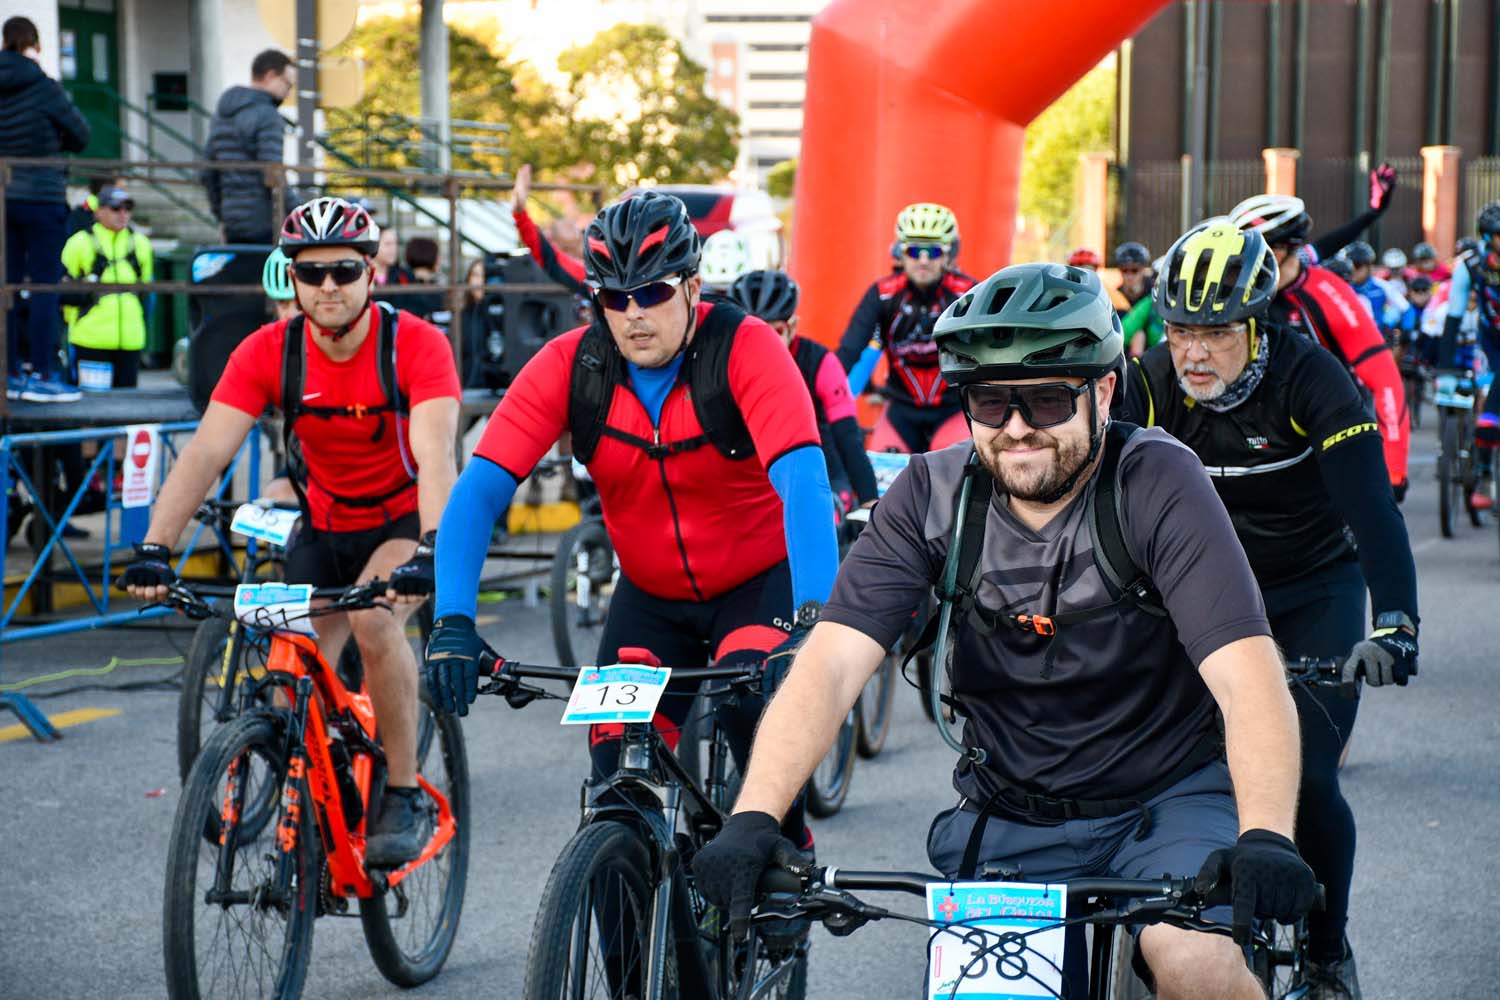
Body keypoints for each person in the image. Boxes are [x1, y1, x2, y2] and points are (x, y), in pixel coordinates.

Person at [694, 261, 1317, 999]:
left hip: (1168, 800)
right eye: (991, 402)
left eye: (1048, 400)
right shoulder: (930, 494)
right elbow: (829, 666)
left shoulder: (1156, 481)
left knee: (1194, 964)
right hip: (1013, 813)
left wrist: (1268, 836)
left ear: (1105, 391)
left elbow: (1248, 675)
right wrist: (755, 814)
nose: (1017, 428)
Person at [424, 191, 839, 869]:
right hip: (649, 598)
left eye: (651, 291)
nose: (634, 313)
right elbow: (477, 492)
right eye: (614, 298)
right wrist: (452, 622)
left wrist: (814, 620)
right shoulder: (571, 366)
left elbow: (804, 483)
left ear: (693, 287)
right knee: (614, 782)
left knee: (751, 704)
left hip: (757, 582)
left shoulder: (747, 347)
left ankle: (787, 850)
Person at [1116, 221, 1419, 1000]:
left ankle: (1326, 949)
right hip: (1205, 593)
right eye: (1181, 330)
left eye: (1216, 332)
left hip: (1312, 586)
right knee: (1159, 768)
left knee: (1307, 780)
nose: (1194, 353)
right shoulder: (1148, 381)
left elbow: (1375, 514)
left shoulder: (1311, 379)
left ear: (1257, 323)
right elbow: (1103, 502)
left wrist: (1396, 623)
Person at [120, 196, 462, 869]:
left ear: (371, 271)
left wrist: (430, 550)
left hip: (400, 523)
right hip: (323, 523)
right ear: (292, 279)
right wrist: (155, 549)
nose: (327, 286)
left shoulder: (417, 345)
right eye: (310, 274)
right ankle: (318, 782)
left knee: (374, 624)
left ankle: (401, 790)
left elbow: (437, 456)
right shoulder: (268, 351)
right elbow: (206, 454)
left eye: (342, 270)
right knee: (290, 667)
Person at [1229, 193, 1409, 501]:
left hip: (1328, 427)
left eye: (1253, 251)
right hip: (1259, 436)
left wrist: (1393, 470)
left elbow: (1386, 382)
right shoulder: (1234, 291)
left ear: (1282, 250)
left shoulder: (1327, 293)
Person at [727, 269, 879, 511]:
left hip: (823, 473)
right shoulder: (724, 363)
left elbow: (847, 436)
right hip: (754, 478)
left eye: (773, 331)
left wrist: (870, 502)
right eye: (751, 331)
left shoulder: (821, 362)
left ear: (792, 327)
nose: (761, 342)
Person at [837, 202, 976, 453]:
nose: (923, 261)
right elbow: (849, 351)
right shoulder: (882, 295)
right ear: (900, 253)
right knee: (885, 482)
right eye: (914, 250)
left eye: (933, 252)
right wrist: (825, 403)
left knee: (954, 477)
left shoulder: (968, 293)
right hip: (900, 412)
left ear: (948, 254)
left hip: (953, 410)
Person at [1, 15, 89, 402]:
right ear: (33, 44)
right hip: (42, 196)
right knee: (42, 288)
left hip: (3, 198)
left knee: (5, 287)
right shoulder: (44, 85)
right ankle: (43, 373)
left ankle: (8, 373)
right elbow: (82, 136)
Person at [59, 186, 154, 389]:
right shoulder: (79, 243)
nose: (123, 214)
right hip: (90, 340)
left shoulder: (141, 244)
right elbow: (64, 291)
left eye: (127, 208)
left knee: (127, 407)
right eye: (115, 208)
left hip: (131, 339)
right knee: (91, 406)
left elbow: (146, 291)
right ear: (99, 211)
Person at [1438, 203, 1500, 510]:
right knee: (1486, 398)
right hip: (1488, 341)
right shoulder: (1470, 265)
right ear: (1488, 237)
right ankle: (1483, 466)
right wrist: (1445, 368)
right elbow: (1453, 316)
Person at [202, 49, 295, 245]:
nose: (288, 93)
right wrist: (297, 212)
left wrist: (222, 218)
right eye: (287, 84)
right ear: (270, 76)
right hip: (264, 223)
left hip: (232, 223)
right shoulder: (268, 116)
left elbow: (208, 172)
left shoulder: (222, 114)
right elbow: (273, 173)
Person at [1343, 241, 1407, 335]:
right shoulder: (1343, 288)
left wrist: (1404, 331)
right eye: (1349, 265)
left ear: (1369, 266)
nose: (1353, 270)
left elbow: (1406, 309)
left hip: (1378, 340)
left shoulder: (1382, 286)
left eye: (1357, 265)